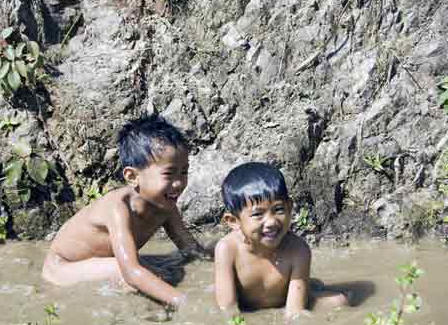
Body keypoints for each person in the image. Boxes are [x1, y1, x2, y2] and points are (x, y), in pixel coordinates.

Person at [42, 115, 209, 307]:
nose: (179, 183)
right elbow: (130, 272)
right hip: (61, 267)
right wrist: (185, 302)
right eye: (169, 174)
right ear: (132, 176)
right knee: (126, 274)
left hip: (101, 263)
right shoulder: (118, 208)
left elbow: (191, 250)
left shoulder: (165, 205)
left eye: (184, 172)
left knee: (164, 273)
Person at [214, 162, 349, 321]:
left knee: (341, 301)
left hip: (286, 302)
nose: (271, 222)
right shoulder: (227, 249)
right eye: (258, 214)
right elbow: (228, 309)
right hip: (245, 306)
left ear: (290, 207)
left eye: (278, 210)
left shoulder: (298, 250)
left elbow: (294, 312)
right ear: (233, 221)